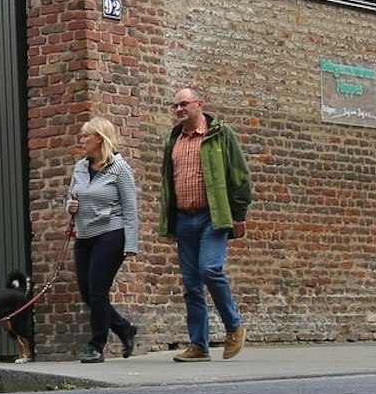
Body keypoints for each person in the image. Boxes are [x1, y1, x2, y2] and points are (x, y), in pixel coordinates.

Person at [160, 85, 253, 362]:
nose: (179, 109)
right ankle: (198, 345)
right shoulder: (173, 139)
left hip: (213, 216)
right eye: (175, 105)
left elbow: (240, 176)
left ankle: (234, 326)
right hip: (184, 219)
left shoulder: (221, 135)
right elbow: (168, 183)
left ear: (199, 104)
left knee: (209, 269)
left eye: (184, 104)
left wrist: (239, 215)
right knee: (190, 284)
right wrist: (169, 221)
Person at [67, 116, 140, 363]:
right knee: (88, 293)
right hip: (85, 234)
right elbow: (72, 196)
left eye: (86, 135)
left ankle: (96, 346)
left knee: (98, 291)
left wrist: (131, 244)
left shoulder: (120, 169)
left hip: (111, 233)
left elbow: (130, 209)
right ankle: (123, 328)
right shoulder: (79, 167)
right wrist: (71, 206)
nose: (82, 139)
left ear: (99, 138)